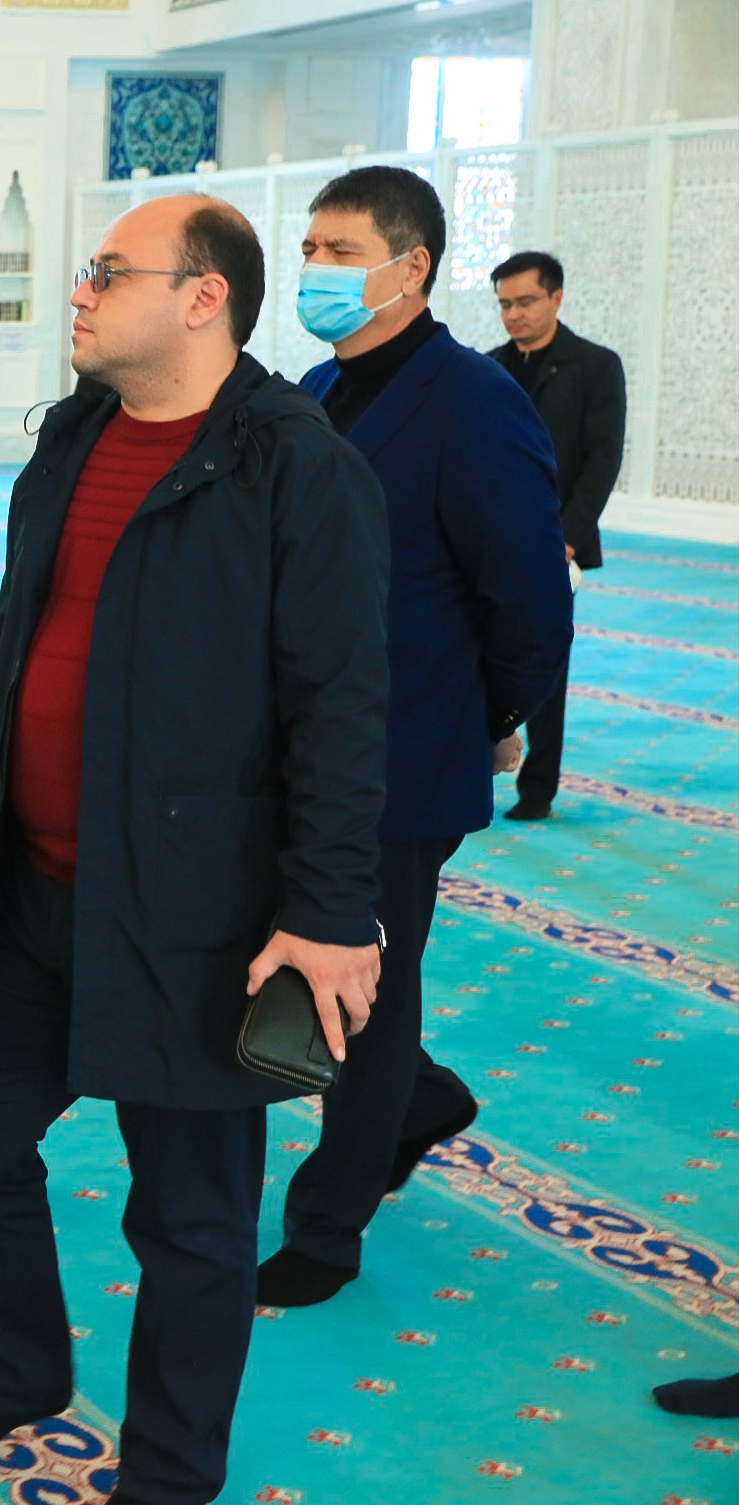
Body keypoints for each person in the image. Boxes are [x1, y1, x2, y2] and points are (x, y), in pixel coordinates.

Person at [0, 195, 389, 1505]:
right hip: (34, 887)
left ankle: (172, 1473)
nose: (80, 292)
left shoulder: (296, 465)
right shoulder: (73, 436)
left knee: (188, 1215)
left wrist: (329, 911)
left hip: (194, 910)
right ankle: (19, 1373)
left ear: (201, 297)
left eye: (108, 272)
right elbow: (15, 651)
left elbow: (342, 708)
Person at [260, 168, 573, 1308]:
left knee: (368, 992)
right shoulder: (316, 391)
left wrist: (486, 720)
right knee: (311, 958)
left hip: (406, 752)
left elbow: (530, 596)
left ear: (413, 265)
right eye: (310, 248)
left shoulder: (472, 400)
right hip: (301, 751)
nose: (316, 269)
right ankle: (423, 1100)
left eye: (340, 251)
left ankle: (329, 1225)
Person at [489, 249, 626, 822]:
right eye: (504, 305)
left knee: (546, 663)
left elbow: (602, 460)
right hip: (492, 540)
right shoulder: (489, 368)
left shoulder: (595, 366)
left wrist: (565, 537)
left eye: (525, 302)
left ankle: (538, 788)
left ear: (556, 297)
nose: (513, 315)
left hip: (554, 545)